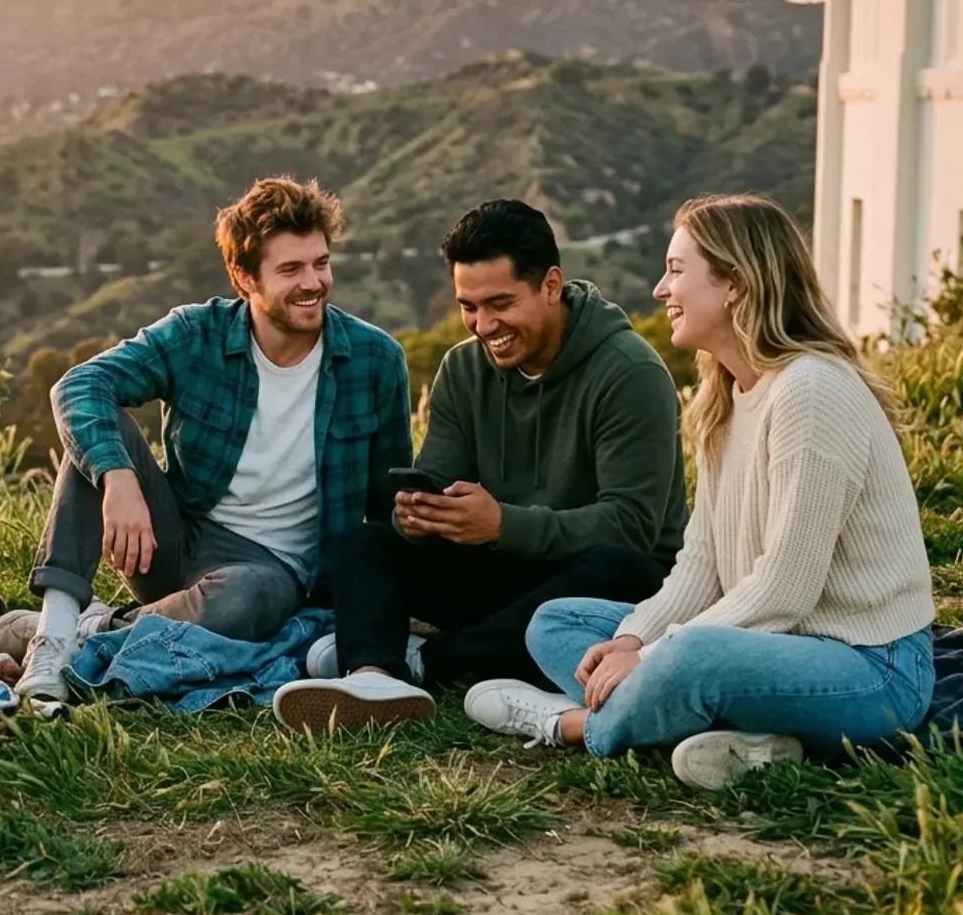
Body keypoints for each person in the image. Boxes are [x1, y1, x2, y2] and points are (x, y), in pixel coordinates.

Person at [463, 194, 935, 791]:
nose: (661, 289)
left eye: (677, 270)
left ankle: (578, 725)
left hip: (870, 669)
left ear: (734, 283)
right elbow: (703, 562)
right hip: (767, 644)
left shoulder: (810, 392)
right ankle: (758, 743)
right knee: (556, 622)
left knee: (692, 658)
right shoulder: (724, 397)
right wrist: (635, 637)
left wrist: (657, 655)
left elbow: (786, 587)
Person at [273, 199, 687, 732]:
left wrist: (501, 524)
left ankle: (430, 663)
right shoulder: (464, 368)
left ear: (552, 285)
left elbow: (631, 529)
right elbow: (439, 480)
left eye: (500, 304)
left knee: (621, 568)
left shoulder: (629, 372)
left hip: (596, 586)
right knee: (364, 542)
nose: (483, 325)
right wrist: (420, 517)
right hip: (502, 571)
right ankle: (373, 673)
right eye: (469, 306)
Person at [2, 176, 413, 703]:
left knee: (251, 596)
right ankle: (54, 634)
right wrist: (119, 477)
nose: (313, 282)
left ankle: (94, 629)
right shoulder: (198, 334)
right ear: (244, 277)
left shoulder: (375, 359)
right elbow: (81, 384)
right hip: (173, 540)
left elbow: (387, 511)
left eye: (321, 263)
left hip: (274, 572)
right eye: (290, 269)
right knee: (101, 433)